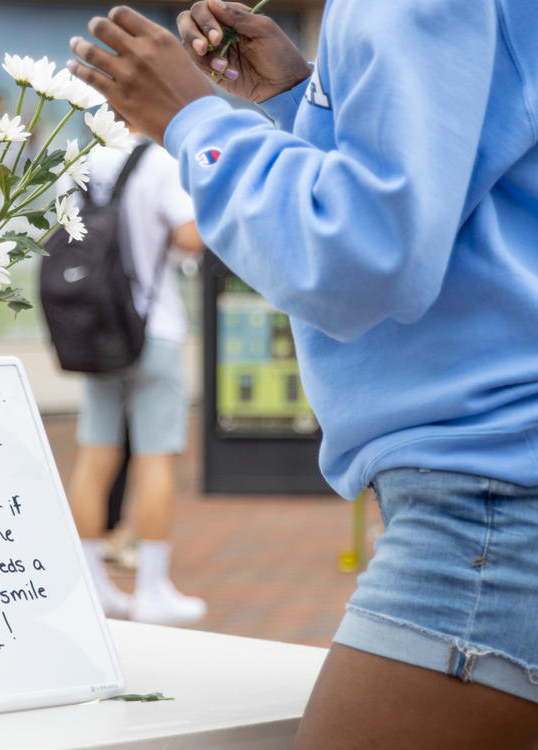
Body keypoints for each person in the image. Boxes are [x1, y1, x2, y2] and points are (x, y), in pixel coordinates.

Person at [66, 1, 538, 746]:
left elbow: (365, 256)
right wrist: (301, 102)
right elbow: (466, 191)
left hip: (488, 503)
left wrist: (194, 123)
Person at [63, 132, 206, 626]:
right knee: (154, 458)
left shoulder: (79, 156)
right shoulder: (159, 162)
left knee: (95, 454)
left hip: (97, 328)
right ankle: (151, 588)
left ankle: (92, 584)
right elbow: (190, 237)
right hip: (153, 325)